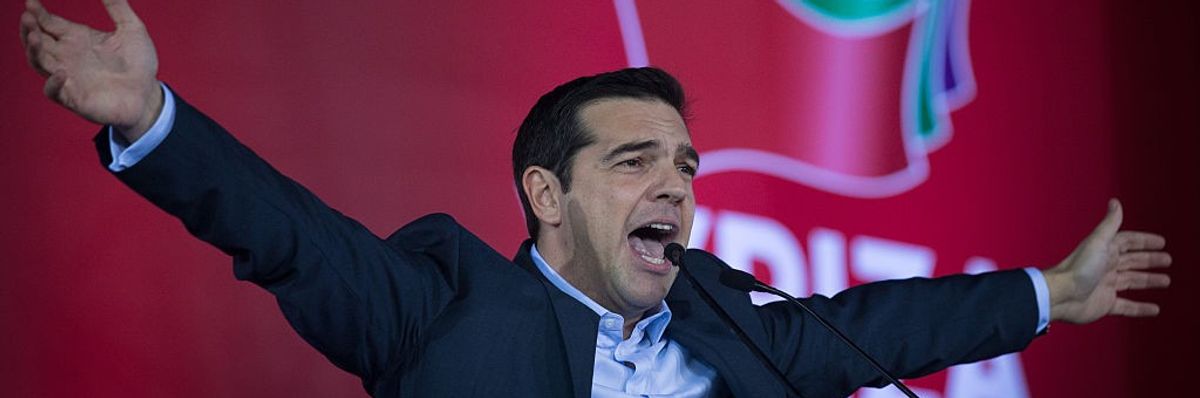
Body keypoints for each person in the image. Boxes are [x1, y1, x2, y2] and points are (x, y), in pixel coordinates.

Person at [19, 0, 1173, 397]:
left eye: (684, 166)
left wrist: (1051, 292)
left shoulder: (734, 330)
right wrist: (147, 115)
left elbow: (884, 327)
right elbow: (287, 236)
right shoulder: (443, 308)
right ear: (547, 194)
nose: (673, 182)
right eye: (634, 163)